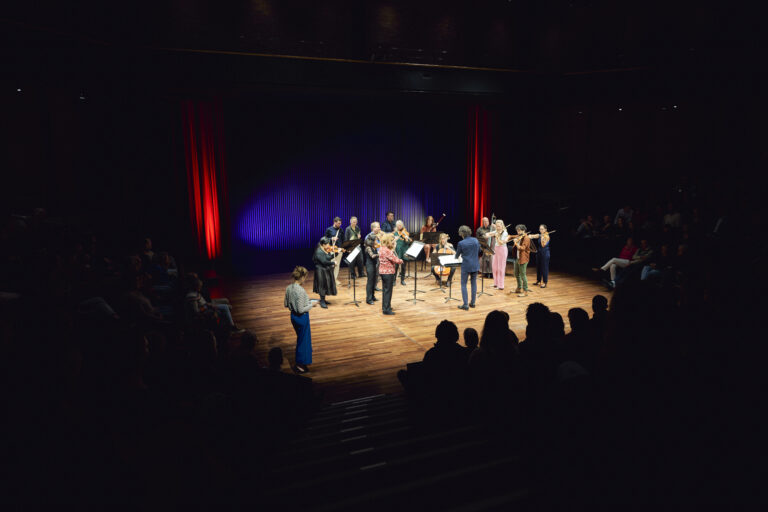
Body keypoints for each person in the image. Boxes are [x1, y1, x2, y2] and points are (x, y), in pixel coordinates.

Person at [284, 266, 316, 373]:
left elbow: (286, 304)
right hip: (301, 318)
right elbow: (301, 310)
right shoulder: (301, 291)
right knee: (303, 341)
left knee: (301, 339)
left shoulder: (289, 288)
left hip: (293, 317)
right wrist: (311, 305)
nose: (305, 279)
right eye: (305, 277)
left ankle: (301, 363)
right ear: (302, 277)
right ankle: (299, 365)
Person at [455, 225, 480, 310]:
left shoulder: (461, 243)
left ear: (461, 233)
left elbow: (457, 256)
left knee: (463, 284)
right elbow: (479, 251)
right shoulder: (476, 240)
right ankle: (473, 303)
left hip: (466, 266)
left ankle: (465, 304)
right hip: (475, 265)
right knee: (474, 283)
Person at [377, 233, 403, 315]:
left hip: (382, 272)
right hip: (388, 273)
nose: (392, 242)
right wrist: (401, 260)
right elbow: (396, 260)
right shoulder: (387, 251)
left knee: (385, 290)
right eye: (391, 240)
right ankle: (386, 309)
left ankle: (385, 306)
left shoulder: (381, 248)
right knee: (388, 291)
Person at [312, 237, 337, 308]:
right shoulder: (318, 251)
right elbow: (324, 262)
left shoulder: (324, 250)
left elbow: (327, 258)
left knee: (325, 284)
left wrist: (336, 253)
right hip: (320, 270)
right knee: (321, 285)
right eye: (327, 244)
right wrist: (333, 263)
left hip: (324, 269)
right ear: (323, 245)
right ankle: (322, 301)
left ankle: (323, 299)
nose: (329, 245)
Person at [484, 219, 508, 290]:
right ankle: (496, 283)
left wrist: (497, 236)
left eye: (499, 226)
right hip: (496, 249)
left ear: (502, 226)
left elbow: (501, 242)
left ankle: (501, 285)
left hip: (502, 250)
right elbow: (488, 234)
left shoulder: (505, 233)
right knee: (494, 267)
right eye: (497, 226)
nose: (497, 228)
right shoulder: (496, 231)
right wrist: (487, 235)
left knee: (501, 268)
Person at [511, 224, 532, 297]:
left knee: (523, 275)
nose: (518, 232)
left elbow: (522, 248)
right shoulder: (519, 236)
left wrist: (516, 243)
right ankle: (519, 288)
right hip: (517, 258)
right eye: (517, 230)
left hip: (523, 258)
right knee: (516, 274)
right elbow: (511, 236)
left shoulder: (526, 238)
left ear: (524, 230)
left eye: (519, 230)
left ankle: (525, 291)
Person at [364, 222, 382, 305]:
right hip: (370, 265)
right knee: (370, 281)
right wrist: (381, 254)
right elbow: (372, 256)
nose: (376, 241)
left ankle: (373, 296)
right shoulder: (368, 248)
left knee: (374, 280)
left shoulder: (374, 247)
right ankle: (368, 299)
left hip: (374, 264)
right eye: (375, 240)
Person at [324, 217, 345, 286]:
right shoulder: (329, 229)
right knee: (331, 265)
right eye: (338, 223)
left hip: (339, 250)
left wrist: (343, 248)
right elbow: (324, 239)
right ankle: (329, 280)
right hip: (332, 250)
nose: (340, 225)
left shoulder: (341, 230)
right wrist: (331, 239)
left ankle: (334, 279)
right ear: (334, 222)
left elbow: (343, 240)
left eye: (340, 223)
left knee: (337, 265)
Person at [394, 220, 412, 286]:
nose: (399, 226)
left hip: (404, 250)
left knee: (403, 266)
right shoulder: (395, 233)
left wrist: (406, 239)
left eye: (400, 225)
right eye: (398, 225)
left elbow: (408, 242)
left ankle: (402, 280)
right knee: (396, 266)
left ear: (402, 225)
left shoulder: (406, 233)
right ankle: (394, 280)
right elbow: (393, 242)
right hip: (398, 251)